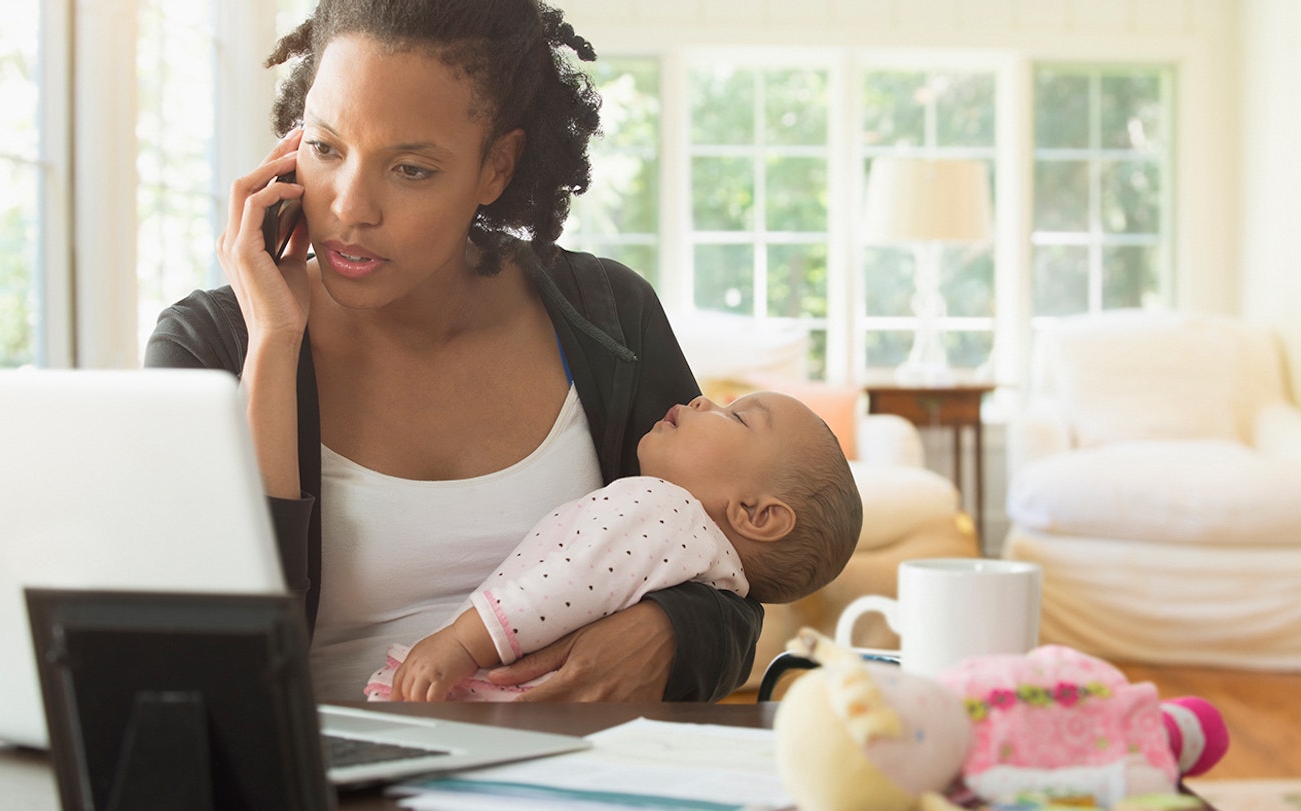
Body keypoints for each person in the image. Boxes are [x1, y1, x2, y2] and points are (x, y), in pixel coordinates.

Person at [144, 0, 764, 703]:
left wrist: (669, 635)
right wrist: (274, 345)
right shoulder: (209, 347)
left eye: (409, 169)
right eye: (325, 148)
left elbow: (738, 580)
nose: (351, 207)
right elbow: (209, 656)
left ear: (496, 167)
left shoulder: (611, 317)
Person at [365, 391, 864, 702]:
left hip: (486, 692)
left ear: (756, 514)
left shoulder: (662, 508)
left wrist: (459, 642)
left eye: (736, 418)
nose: (701, 401)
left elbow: (563, 584)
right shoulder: (708, 569)